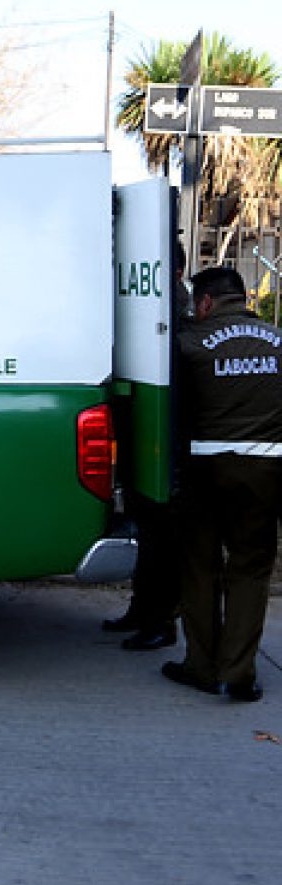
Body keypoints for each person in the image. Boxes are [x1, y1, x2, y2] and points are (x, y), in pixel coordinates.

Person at [162, 265, 282, 702]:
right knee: (250, 569)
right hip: (266, 473)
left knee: (200, 567)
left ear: (206, 302)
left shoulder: (189, 343)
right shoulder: (278, 341)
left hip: (205, 473)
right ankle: (237, 674)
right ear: (243, 297)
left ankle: (200, 664)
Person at [103, 241, 191, 650]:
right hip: (146, 440)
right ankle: (142, 611)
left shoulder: (180, 315)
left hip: (169, 447)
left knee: (163, 538)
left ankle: (161, 621)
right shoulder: (159, 309)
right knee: (150, 532)